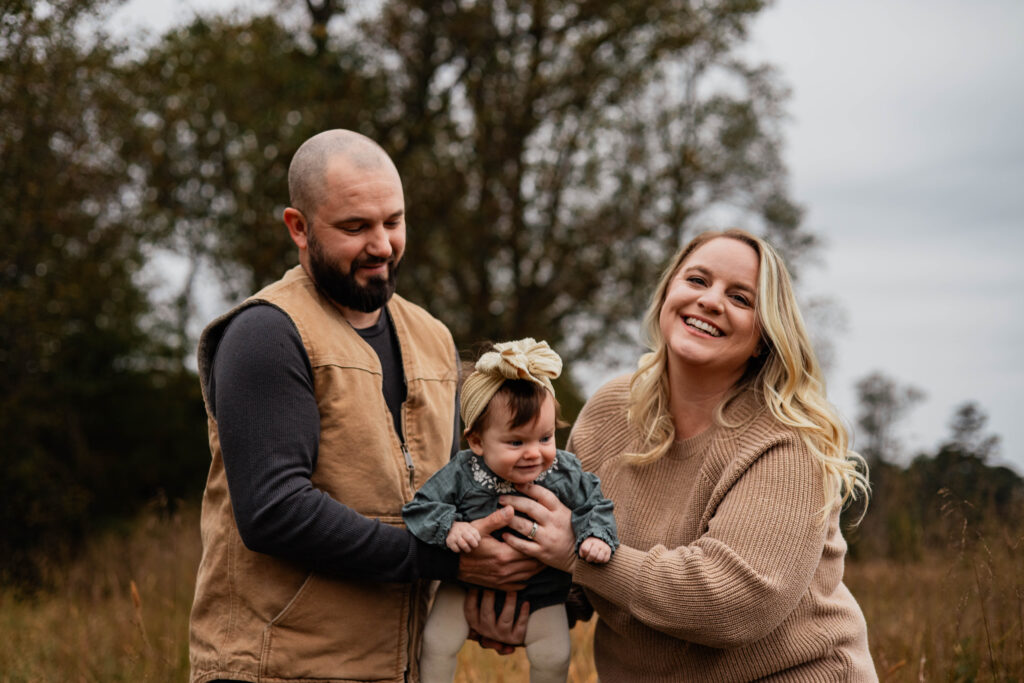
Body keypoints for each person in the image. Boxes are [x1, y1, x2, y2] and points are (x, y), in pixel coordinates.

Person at [188, 129, 539, 683]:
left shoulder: (432, 337)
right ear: (298, 228)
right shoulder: (265, 334)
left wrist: (491, 600)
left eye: (393, 222)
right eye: (355, 227)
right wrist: (445, 559)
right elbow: (274, 512)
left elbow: (455, 496)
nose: (381, 245)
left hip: (400, 670)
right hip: (274, 669)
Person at [470, 229, 878, 681]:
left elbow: (733, 602)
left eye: (741, 298)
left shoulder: (788, 441)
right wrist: (520, 606)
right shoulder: (610, 410)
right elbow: (573, 568)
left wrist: (576, 554)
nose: (710, 301)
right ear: (667, 293)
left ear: (765, 336)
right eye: (697, 280)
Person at [402, 338, 619, 683]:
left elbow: (596, 504)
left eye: (545, 438)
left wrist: (596, 534)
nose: (534, 453)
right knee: (437, 641)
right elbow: (419, 508)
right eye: (516, 442)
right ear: (476, 441)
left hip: (542, 592)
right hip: (466, 585)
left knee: (554, 654)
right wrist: (450, 527)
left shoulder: (564, 472)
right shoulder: (462, 472)